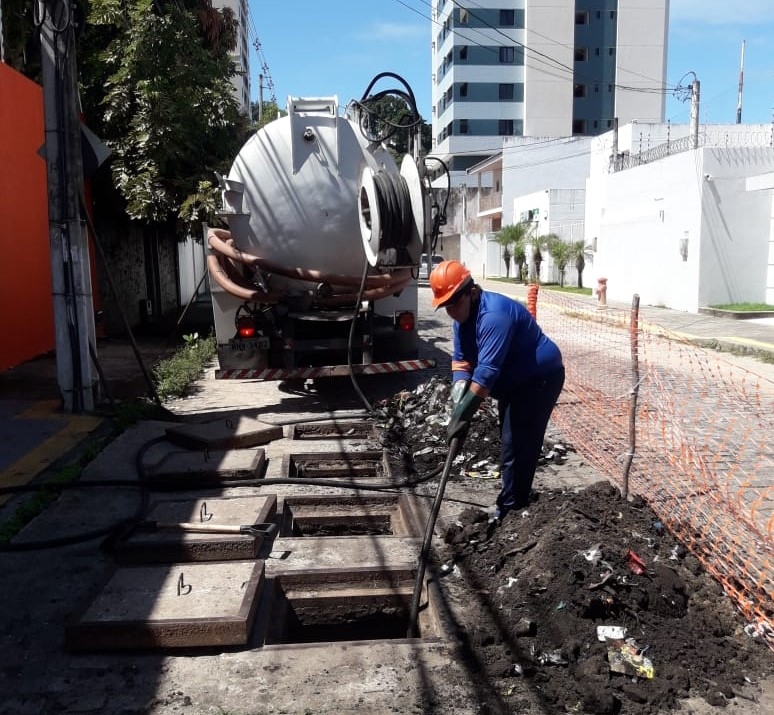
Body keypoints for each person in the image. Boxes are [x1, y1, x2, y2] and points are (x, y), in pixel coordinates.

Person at [429, 259, 565, 520]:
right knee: (511, 441)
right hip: (513, 383)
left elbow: (487, 372)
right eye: (445, 306)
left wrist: (463, 415)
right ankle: (514, 498)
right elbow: (461, 361)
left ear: (472, 292)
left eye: (454, 303)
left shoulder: (494, 316)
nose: (452, 311)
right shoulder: (462, 319)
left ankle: (512, 508)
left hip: (538, 380)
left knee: (518, 444)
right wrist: (459, 393)